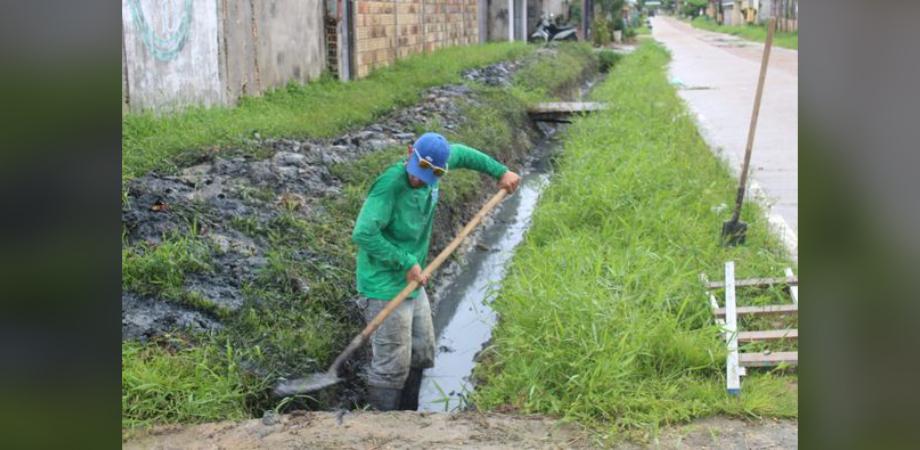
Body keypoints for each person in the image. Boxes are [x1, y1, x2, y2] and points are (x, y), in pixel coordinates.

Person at [351, 132, 521, 411]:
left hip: (414, 281)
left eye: (429, 176)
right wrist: (405, 261)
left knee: (421, 353)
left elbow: (464, 153)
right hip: (383, 284)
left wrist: (500, 172)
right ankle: (383, 428)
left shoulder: (439, 160)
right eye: (417, 173)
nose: (419, 180)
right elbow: (364, 233)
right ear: (409, 153)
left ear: (441, 170)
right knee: (391, 366)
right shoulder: (390, 186)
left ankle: (410, 418)